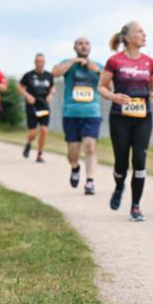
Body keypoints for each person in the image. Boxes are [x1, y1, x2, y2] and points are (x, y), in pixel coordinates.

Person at [98, 22, 153, 222]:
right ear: (127, 37)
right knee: (121, 162)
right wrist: (113, 97)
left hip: (143, 117)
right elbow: (101, 86)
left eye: (144, 31)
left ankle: (135, 206)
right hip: (120, 118)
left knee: (140, 162)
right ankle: (118, 186)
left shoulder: (149, 62)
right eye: (140, 32)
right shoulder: (115, 61)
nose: (144, 34)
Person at [53, 38, 104, 195]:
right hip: (71, 113)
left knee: (90, 146)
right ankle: (75, 168)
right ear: (74, 47)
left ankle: (90, 181)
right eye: (80, 43)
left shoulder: (98, 66)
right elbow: (54, 73)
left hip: (91, 112)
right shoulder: (68, 63)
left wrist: (96, 70)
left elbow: (110, 84)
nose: (84, 46)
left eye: (87, 43)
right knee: (73, 153)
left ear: (91, 47)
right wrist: (74, 61)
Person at [18, 54, 56, 163]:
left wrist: (51, 94)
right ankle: (29, 143)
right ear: (35, 62)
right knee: (33, 132)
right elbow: (20, 87)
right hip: (32, 105)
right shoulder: (28, 75)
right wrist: (27, 95)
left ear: (44, 62)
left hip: (44, 105)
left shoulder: (49, 76)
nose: (40, 64)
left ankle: (40, 154)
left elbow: (53, 87)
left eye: (42, 61)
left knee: (44, 130)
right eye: (38, 61)